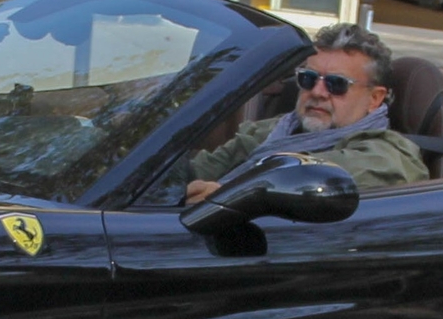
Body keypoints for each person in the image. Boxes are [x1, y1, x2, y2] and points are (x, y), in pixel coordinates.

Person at [181, 24, 424, 205]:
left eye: (336, 84)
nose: (317, 92)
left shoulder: (389, 154)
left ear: (375, 98)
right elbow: (198, 170)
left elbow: (310, 178)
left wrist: (225, 194)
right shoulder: (273, 130)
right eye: (308, 79)